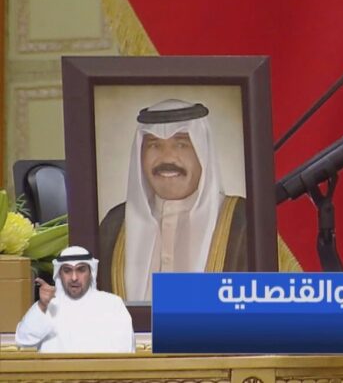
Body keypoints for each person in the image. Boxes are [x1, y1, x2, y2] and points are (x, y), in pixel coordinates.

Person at [98, 99, 247, 301]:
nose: (167, 157)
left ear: (202, 152)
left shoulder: (244, 221)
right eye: (154, 145)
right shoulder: (114, 225)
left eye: (181, 144)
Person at [15, 246, 134, 352]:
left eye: (81, 270)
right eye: (67, 270)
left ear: (90, 273)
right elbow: (23, 340)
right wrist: (42, 305)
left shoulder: (112, 304)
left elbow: (125, 350)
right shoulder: (48, 306)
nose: (74, 278)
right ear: (59, 274)